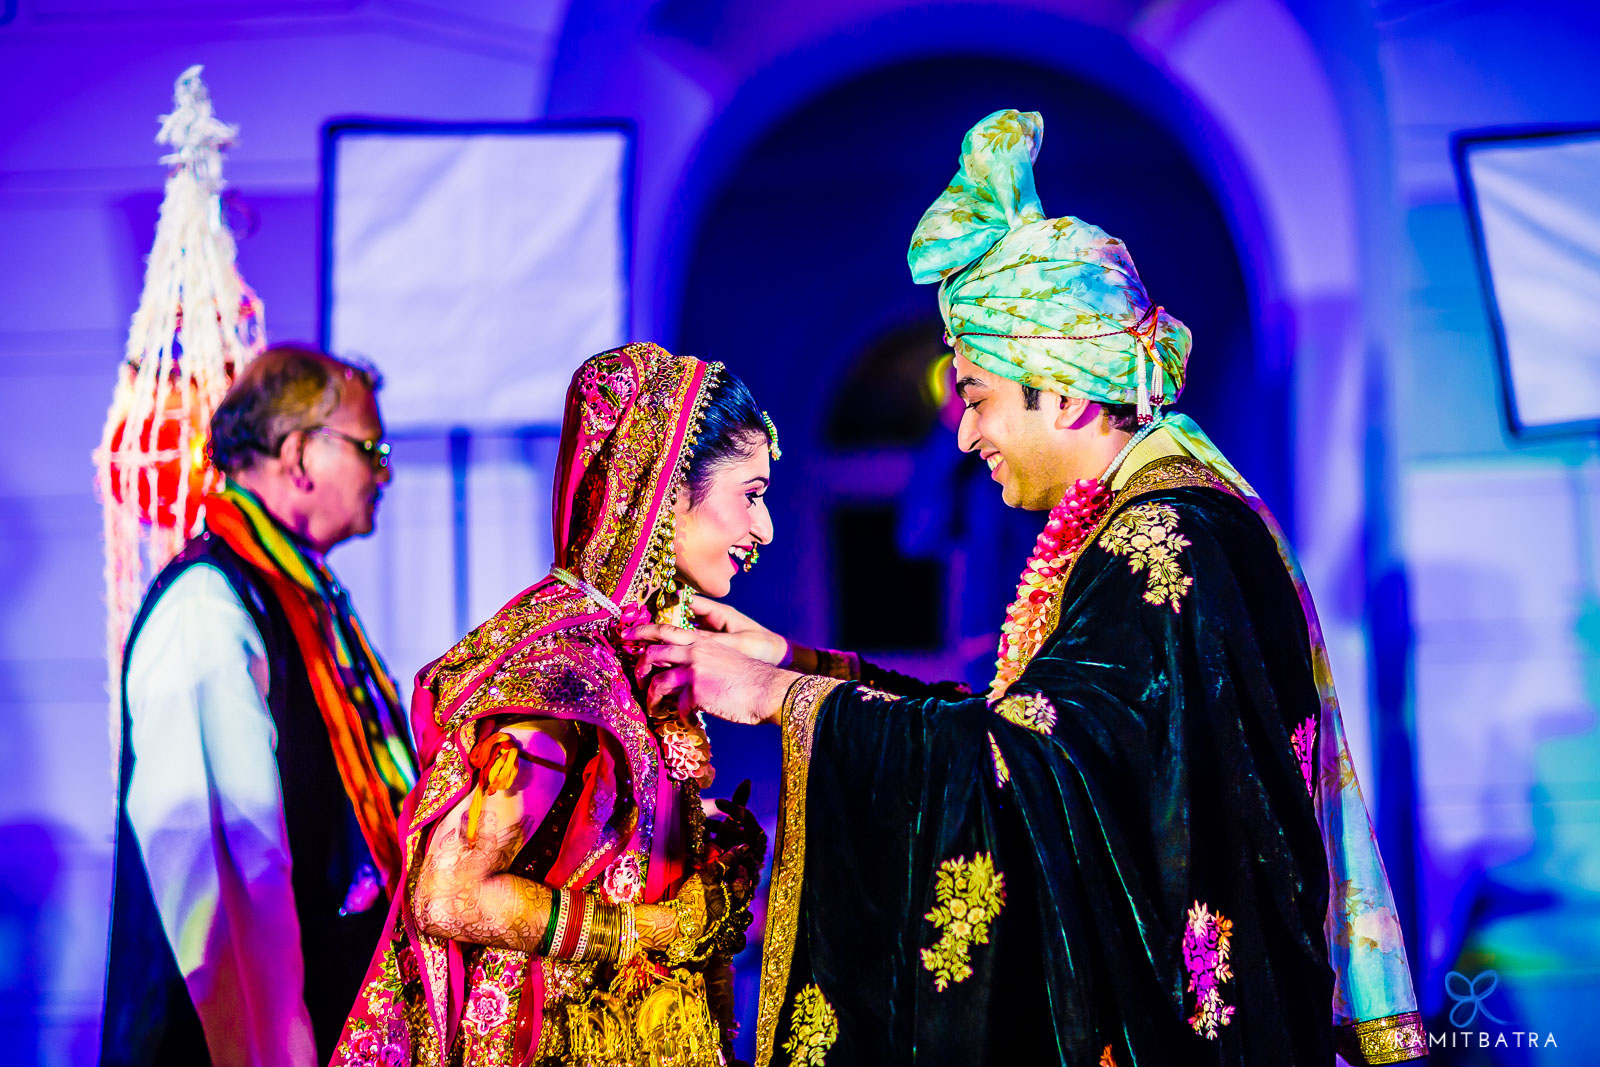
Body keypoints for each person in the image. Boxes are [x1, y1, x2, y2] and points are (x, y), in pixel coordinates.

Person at [629, 110, 1427, 1066]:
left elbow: (1026, 772)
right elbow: (1040, 734)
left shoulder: (1165, 542)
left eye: (976, 396)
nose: (966, 435)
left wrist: (778, 697)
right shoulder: (1147, 519)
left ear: (1067, 389)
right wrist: (801, 664)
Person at [331, 342, 778, 1067]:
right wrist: (645, 929)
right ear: (667, 486)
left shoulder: (632, 651)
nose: (764, 529)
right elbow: (447, 892)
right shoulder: (564, 668)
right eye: (751, 496)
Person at [101, 343, 417, 1066]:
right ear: (300, 454)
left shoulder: (302, 596)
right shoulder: (207, 606)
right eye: (371, 449)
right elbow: (227, 885)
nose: (384, 473)